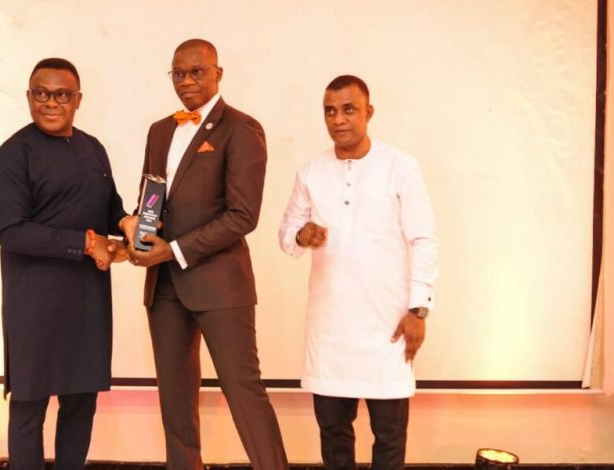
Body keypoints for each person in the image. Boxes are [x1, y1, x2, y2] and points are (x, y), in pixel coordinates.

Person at [121, 39, 289, 470]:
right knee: (175, 401)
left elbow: (243, 215)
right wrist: (136, 234)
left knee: (243, 392)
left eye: (197, 71)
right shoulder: (160, 130)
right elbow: (152, 199)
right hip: (164, 288)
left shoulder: (242, 128)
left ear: (218, 74)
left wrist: (173, 250)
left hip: (220, 285)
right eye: (178, 73)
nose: (187, 81)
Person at [278, 75, 439, 470]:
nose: (338, 120)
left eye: (349, 109)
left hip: (388, 327)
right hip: (330, 331)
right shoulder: (311, 172)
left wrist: (419, 309)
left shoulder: (401, 167)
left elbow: (423, 238)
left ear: (369, 112)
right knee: (334, 436)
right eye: (330, 111)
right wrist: (301, 234)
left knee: (389, 437)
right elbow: (286, 233)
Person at [0, 57, 129, 470]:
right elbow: (12, 231)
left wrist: (126, 225)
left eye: (62, 95)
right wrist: (87, 243)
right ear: (29, 97)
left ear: (78, 100)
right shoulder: (13, 155)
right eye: (42, 94)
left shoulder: (93, 148)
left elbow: (109, 208)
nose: (51, 103)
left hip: (87, 299)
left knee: (81, 401)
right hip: (34, 302)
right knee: (29, 405)